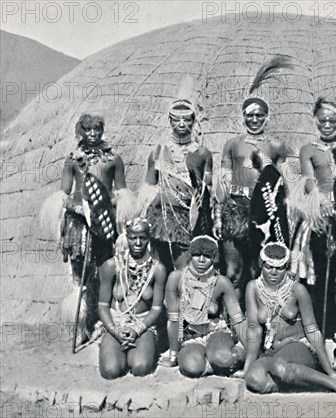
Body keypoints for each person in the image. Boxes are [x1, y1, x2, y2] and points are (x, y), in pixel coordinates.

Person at [40, 113, 134, 344]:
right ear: (81, 132)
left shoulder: (113, 160)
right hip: (78, 225)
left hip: (104, 222)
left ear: (102, 131)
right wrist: (77, 207)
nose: (93, 135)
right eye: (88, 130)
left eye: (97, 130)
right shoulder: (73, 160)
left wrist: (110, 205)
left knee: (107, 271)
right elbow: (64, 192)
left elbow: (121, 191)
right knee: (78, 276)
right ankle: (80, 325)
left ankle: (107, 324)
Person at [240, 242, 336, 404]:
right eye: (268, 267)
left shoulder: (297, 290)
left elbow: (312, 330)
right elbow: (254, 330)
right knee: (254, 378)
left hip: (299, 346)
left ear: (286, 268)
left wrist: (329, 370)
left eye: (279, 268)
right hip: (272, 350)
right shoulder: (253, 288)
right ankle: (297, 384)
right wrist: (247, 367)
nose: (273, 272)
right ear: (261, 265)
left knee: (279, 365)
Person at [213, 58, 290, 298]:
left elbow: (284, 186)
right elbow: (222, 186)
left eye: (259, 115)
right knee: (233, 271)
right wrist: (218, 218)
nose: (254, 120)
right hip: (235, 213)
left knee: (261, 270)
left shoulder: (276, 146)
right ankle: (232, 323)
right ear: (243, 117)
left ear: (267, 117)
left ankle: (261, 320)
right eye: (250, 115)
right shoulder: (232, 145)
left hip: (264, 218)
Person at [290, 97, 336, 338]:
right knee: (318, 273)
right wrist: (321, 203)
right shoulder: (308, 151)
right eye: (323, 120)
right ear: (316, 121)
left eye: (332, 121)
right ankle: (318, 328)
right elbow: (309, 181)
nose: (327, 125)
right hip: (318, 219)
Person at [140, 98, 213, 272]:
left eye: (187, 119)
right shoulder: (158, 151)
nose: (182, 124)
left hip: (187, 217)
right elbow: (148, 189)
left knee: (184, 269)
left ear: (194, 121)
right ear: (170, 121)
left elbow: (208, 190)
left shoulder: (202, 154)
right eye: (176, 119)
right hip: (159, 214)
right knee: (158, 268)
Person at [161, 235, 247, 376]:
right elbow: (173, 320)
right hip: (190, 336)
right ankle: (214, 364)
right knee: (192, 367)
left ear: (214, 258)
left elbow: (238, 320)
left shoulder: (221, 282)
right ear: (190, 256)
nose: (201, 260)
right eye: (197, 255)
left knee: (224, 359)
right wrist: (173, 355)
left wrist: (249, 353)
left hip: (216, 331)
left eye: (207, 256)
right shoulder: (176, 278)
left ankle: (225, 358)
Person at [97, 217, 168, 379]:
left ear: (148, 239)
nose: (137, 243)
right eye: (132, 237)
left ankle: (142, 348)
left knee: (140, 367)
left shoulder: (158, 269)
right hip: (116, 323)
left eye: (142, 238)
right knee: (111, 371)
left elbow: (157, 308)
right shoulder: (112, 266)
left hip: (142, 325)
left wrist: (137, 330)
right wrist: (115, 331)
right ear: (126, 237)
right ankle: (112, 345)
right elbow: (102, 304)